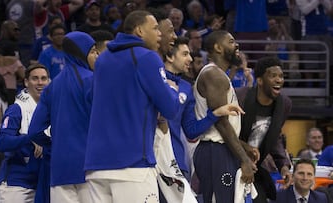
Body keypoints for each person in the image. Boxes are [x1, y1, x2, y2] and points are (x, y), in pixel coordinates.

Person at [84, 10, 181, 203]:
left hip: (96, 165)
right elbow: (170, 108)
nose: (159, 33)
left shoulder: (103, 59)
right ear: (139, 30)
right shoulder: (147, 57)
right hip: (132, 165)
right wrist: (172, 89)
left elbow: (90, 98)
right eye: (154, 28)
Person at [28, 31, 97, 203]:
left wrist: (55, 144)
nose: (97, 56)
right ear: (81, 52)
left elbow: (34, 131)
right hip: (90, 166)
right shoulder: (93, 80)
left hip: (60, 169)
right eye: (93, 51)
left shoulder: (52, 86)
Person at [193, 30, 258, 203]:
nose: (236, 45)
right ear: (218, 48)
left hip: (222, 149)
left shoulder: (220, 75)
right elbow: (221, 124)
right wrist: (244, 159)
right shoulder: (213, 75)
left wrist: (244, 147)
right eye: (231, 41)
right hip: (215, 151)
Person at [236, 56, 293, 202]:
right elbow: (224, 132)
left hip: (255, 169)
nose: (279, 80)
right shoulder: (239, 97)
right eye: (273, 76)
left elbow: (274, 137)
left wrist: (283, 166)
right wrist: (245, 151)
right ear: (260, 80)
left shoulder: (284, 104)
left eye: (281, 76)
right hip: (230, 162)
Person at [0, 64, 50, 203]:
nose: (40, 83)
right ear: (26, 82)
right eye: (35, 78)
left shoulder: (53, 110)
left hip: (43, 182)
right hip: (17, 183)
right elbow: (1, 142)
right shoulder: (17, 109)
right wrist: (30, 138)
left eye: (43, 78)